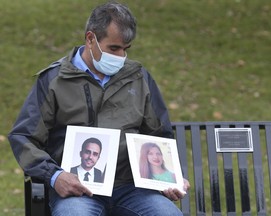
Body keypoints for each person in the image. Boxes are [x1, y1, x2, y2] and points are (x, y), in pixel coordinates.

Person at [8, 2, 190, 216]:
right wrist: (55, 176)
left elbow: (160, 135)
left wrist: (168, 177)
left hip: (133, 188)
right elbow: (23, 137)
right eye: (114, 48)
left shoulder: (139, 78)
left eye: (126, 48)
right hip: (77, 189)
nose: (121, 56)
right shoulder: (54, 80)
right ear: (90, 39)